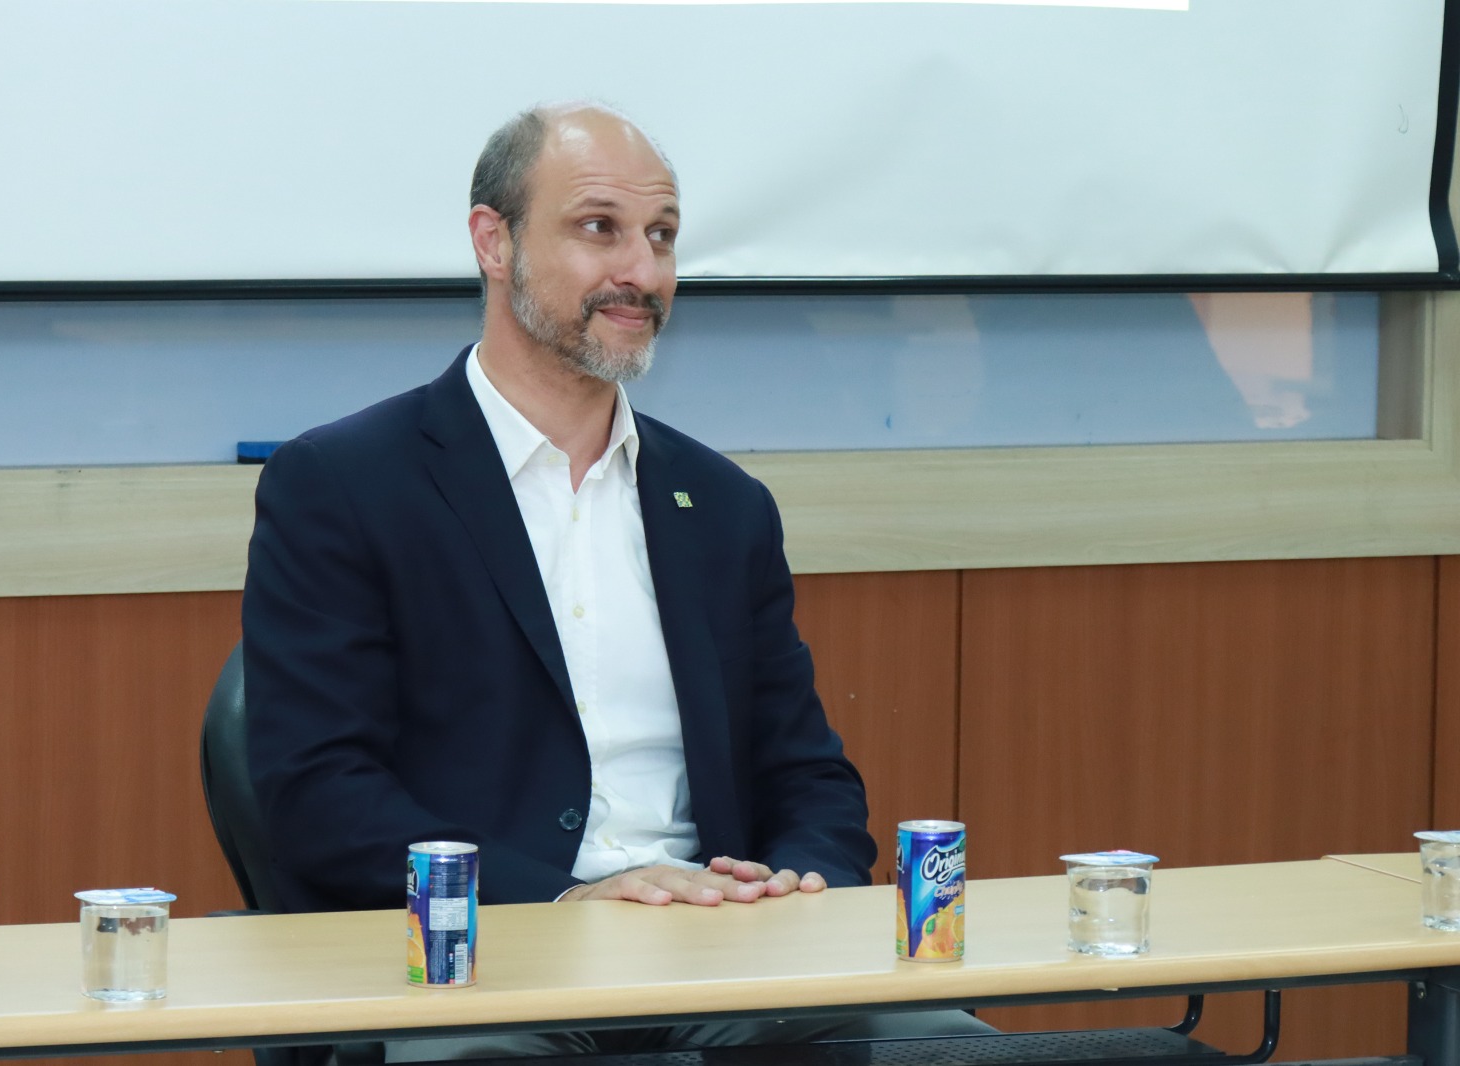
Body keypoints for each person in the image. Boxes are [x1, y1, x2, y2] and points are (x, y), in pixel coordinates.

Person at [242, 102, 992, 1058]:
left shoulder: (724, 505)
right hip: (483, 963)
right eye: (600, 228)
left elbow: (809, 777)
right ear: (494, 242)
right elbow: (320, 796)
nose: (641, 271)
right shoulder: (344, 485)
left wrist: (799, 884)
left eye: (662, 236)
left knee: (958, 1048)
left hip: (720, 959)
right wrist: (567, 900)